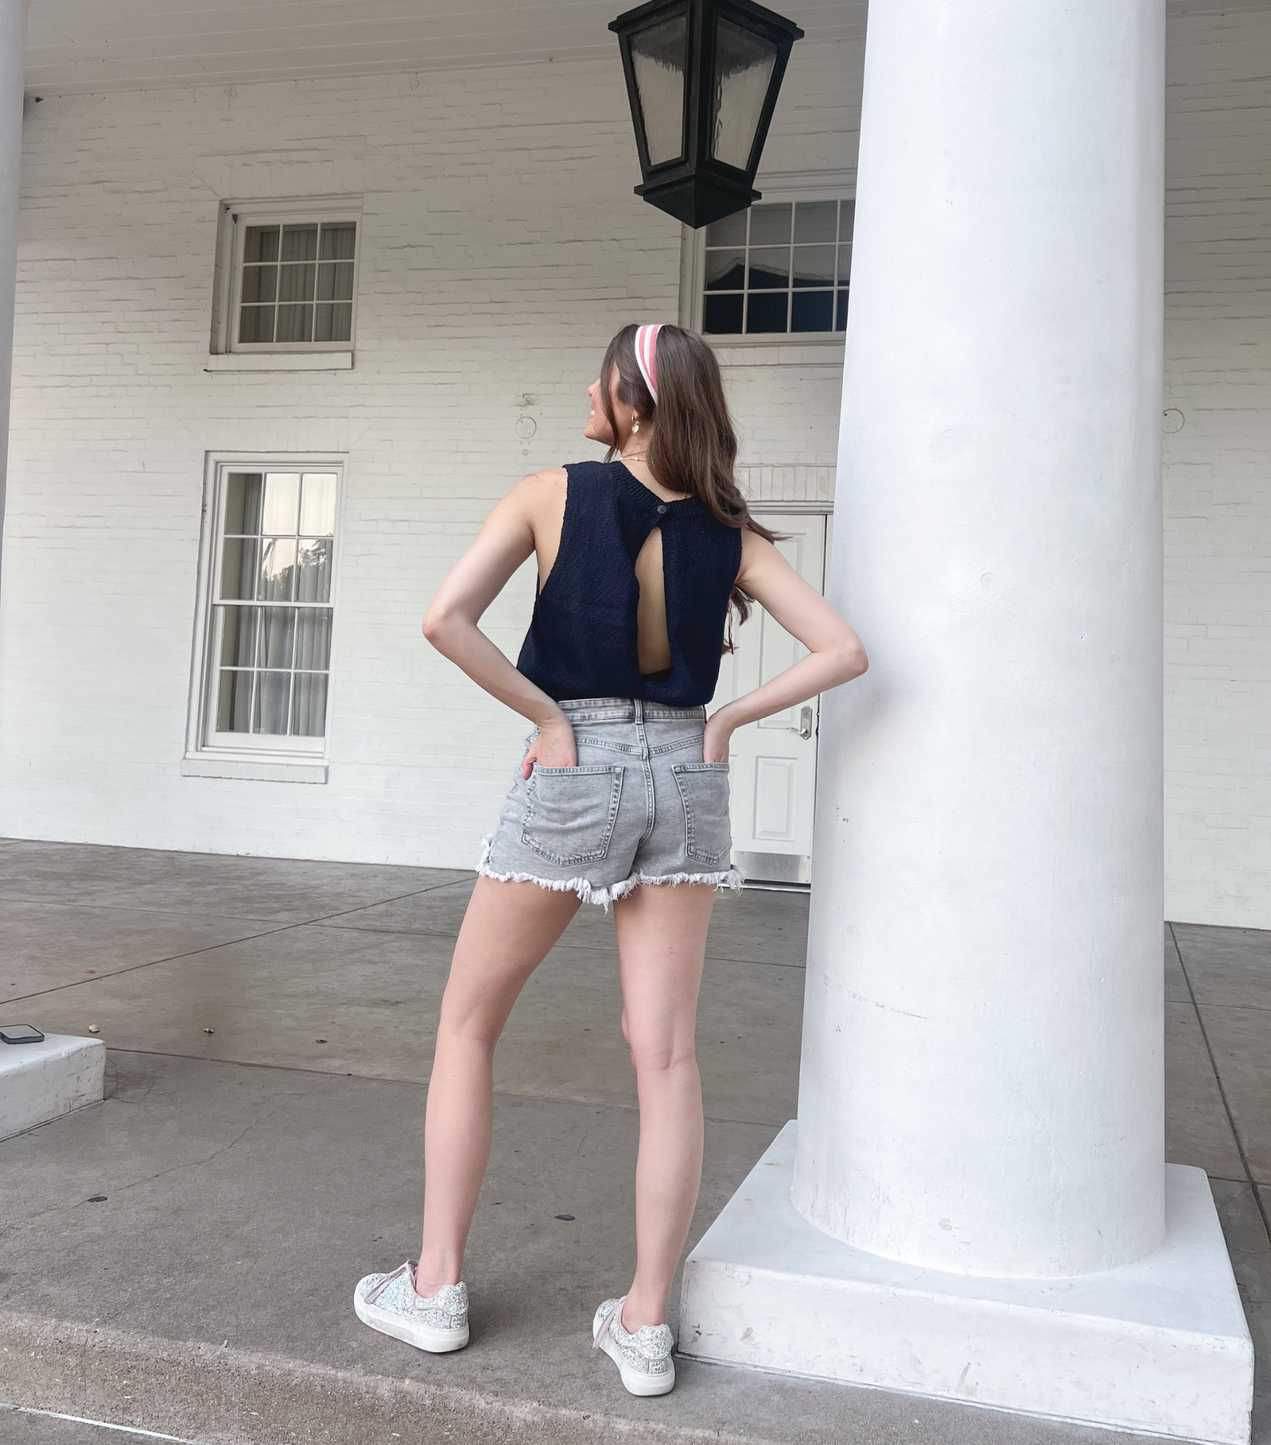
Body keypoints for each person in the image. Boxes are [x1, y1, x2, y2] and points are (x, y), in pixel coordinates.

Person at [352, 322, 868, 1396]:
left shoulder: (549, 491)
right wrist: (722, 724)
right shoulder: (728, 531)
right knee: (665, 1055)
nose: (585, 390)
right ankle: (642, 1324)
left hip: (573, 760)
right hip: (686, 772)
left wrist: (546, 716)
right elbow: (842, 649)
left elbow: (445, 619)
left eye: (599, 378)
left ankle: (436, 1285)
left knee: (465, 1022)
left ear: (628, 404)